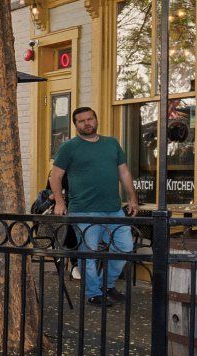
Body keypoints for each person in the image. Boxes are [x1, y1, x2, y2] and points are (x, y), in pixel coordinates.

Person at [50, 106, 140, 307]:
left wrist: (132, 199)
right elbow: (55, 176)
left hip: (114, 208)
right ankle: (93, 293)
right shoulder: (69, 147)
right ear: (75, 125)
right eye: (81, 121)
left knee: (124, 248)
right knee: (88, 253)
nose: (87, 123)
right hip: (83, 209)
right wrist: (59, 201)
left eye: (90, 119)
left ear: (96, 120)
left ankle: (106, 286)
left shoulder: (111, 144)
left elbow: (124, 173)